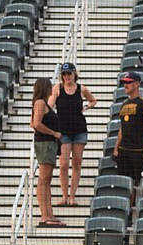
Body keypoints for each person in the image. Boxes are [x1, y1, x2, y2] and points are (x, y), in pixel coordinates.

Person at [50, 63, 96, 207]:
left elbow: (93, 100)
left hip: (79, 129)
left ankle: (72, 196)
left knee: (77, 163)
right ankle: (64, 195)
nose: (66, 76)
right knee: (63, 165)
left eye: (69, 73)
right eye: (64, 74)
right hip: (63, 130)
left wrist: (87, 107)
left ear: (74, 74)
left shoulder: (81, 88)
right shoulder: (57, 88)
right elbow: (49, 106)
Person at [112, 72, 143, 194]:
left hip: (139, 150)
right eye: (124, 82)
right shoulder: (124, 104)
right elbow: (122, 128)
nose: (125, 85)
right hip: (124, 151)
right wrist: (116, 147)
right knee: (125, 186)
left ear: (137, 84)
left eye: (129, 82)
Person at [30, 78, 63, 227]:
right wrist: (53, 133)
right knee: (44, 180)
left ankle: (49, 214)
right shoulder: (40, 103)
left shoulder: (41, 103)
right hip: (45, 143)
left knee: (46, 180)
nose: (52, 90)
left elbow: (32, 123)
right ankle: (45, 215)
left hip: (47, 144)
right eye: (50, 87)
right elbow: (36, 124)